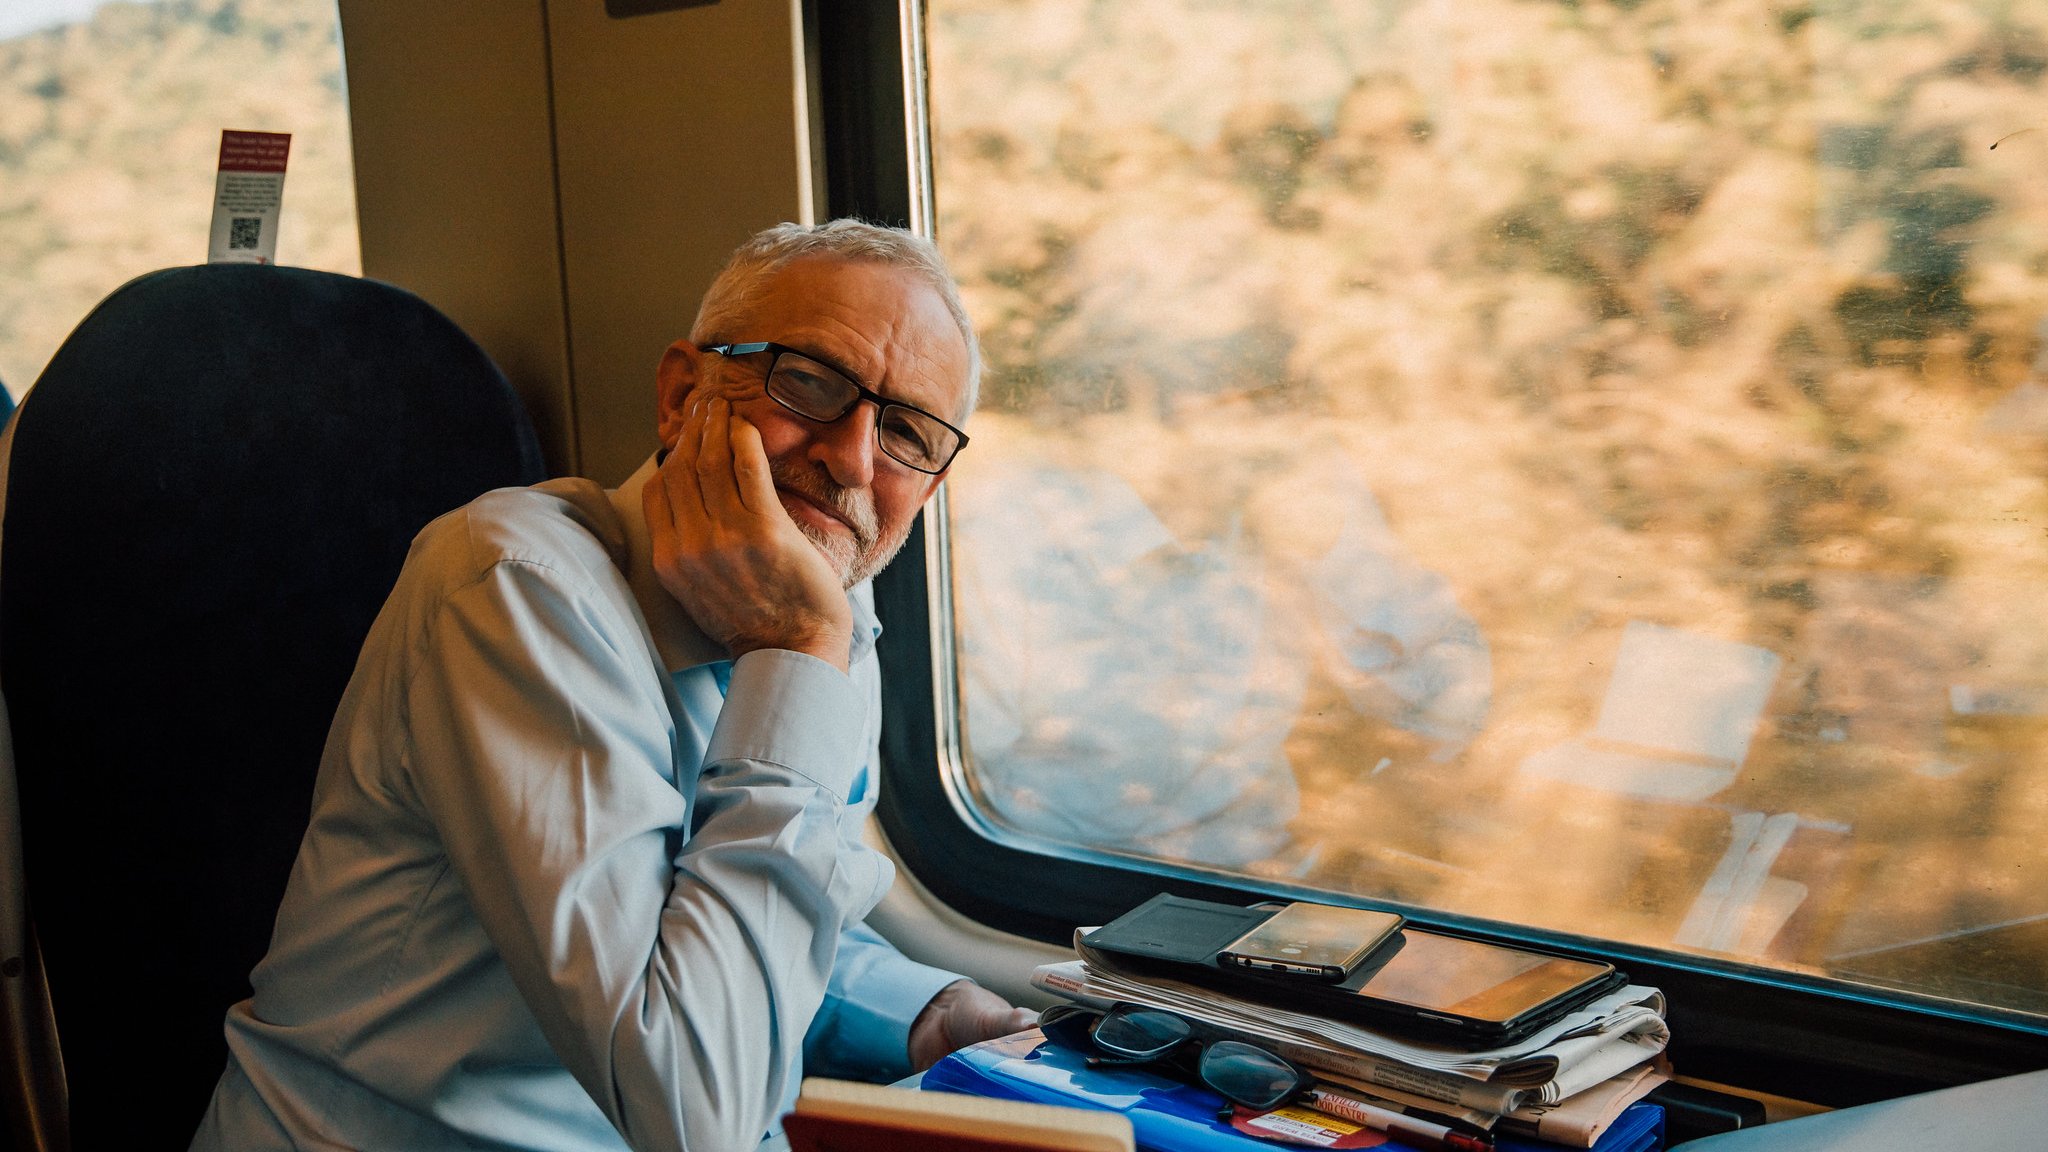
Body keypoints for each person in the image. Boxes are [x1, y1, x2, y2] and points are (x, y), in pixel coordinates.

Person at [190, 220, 1034, 1152]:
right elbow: (694, 1104)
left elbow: (719, 912)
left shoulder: (828, 616)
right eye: (809, 382)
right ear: (682, 394)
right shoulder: (516, 583)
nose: (852, 457)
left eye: (908, 431)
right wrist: (796, 652)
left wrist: (927, 1009)